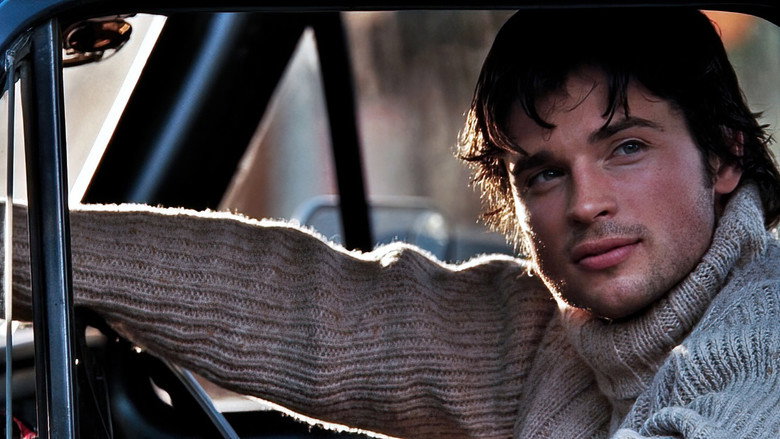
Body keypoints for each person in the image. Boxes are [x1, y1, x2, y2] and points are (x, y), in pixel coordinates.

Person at [7, 7, 780, 439]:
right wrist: (19, 247)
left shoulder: (765, 332)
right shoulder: (555, 340)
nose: (585, 203)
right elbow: (306, 304)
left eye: (627, 148)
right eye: (544, 172)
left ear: (723, 155)